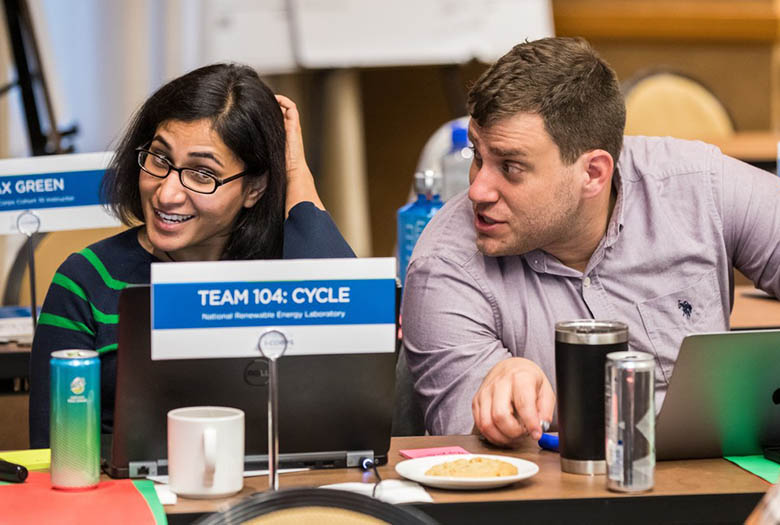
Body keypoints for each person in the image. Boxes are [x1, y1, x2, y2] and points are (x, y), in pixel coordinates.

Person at [401, 37, 780, 447]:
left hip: (728, 484)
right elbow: (471, 461)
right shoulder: (444, 267)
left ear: (594, 173)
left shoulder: (698, 187)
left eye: (510, 167)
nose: (477, 189)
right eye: (479, 155)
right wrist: (498, 406)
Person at [29, 63, 354, 448]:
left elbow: (353, 362)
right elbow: (54, 449)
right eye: (159, 159)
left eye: (202, 174)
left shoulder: (285, 272)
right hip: (134, 500)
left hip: (270, 503)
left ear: (254, 188)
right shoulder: (87, 280)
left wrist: (296, 174)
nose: (167, 193)